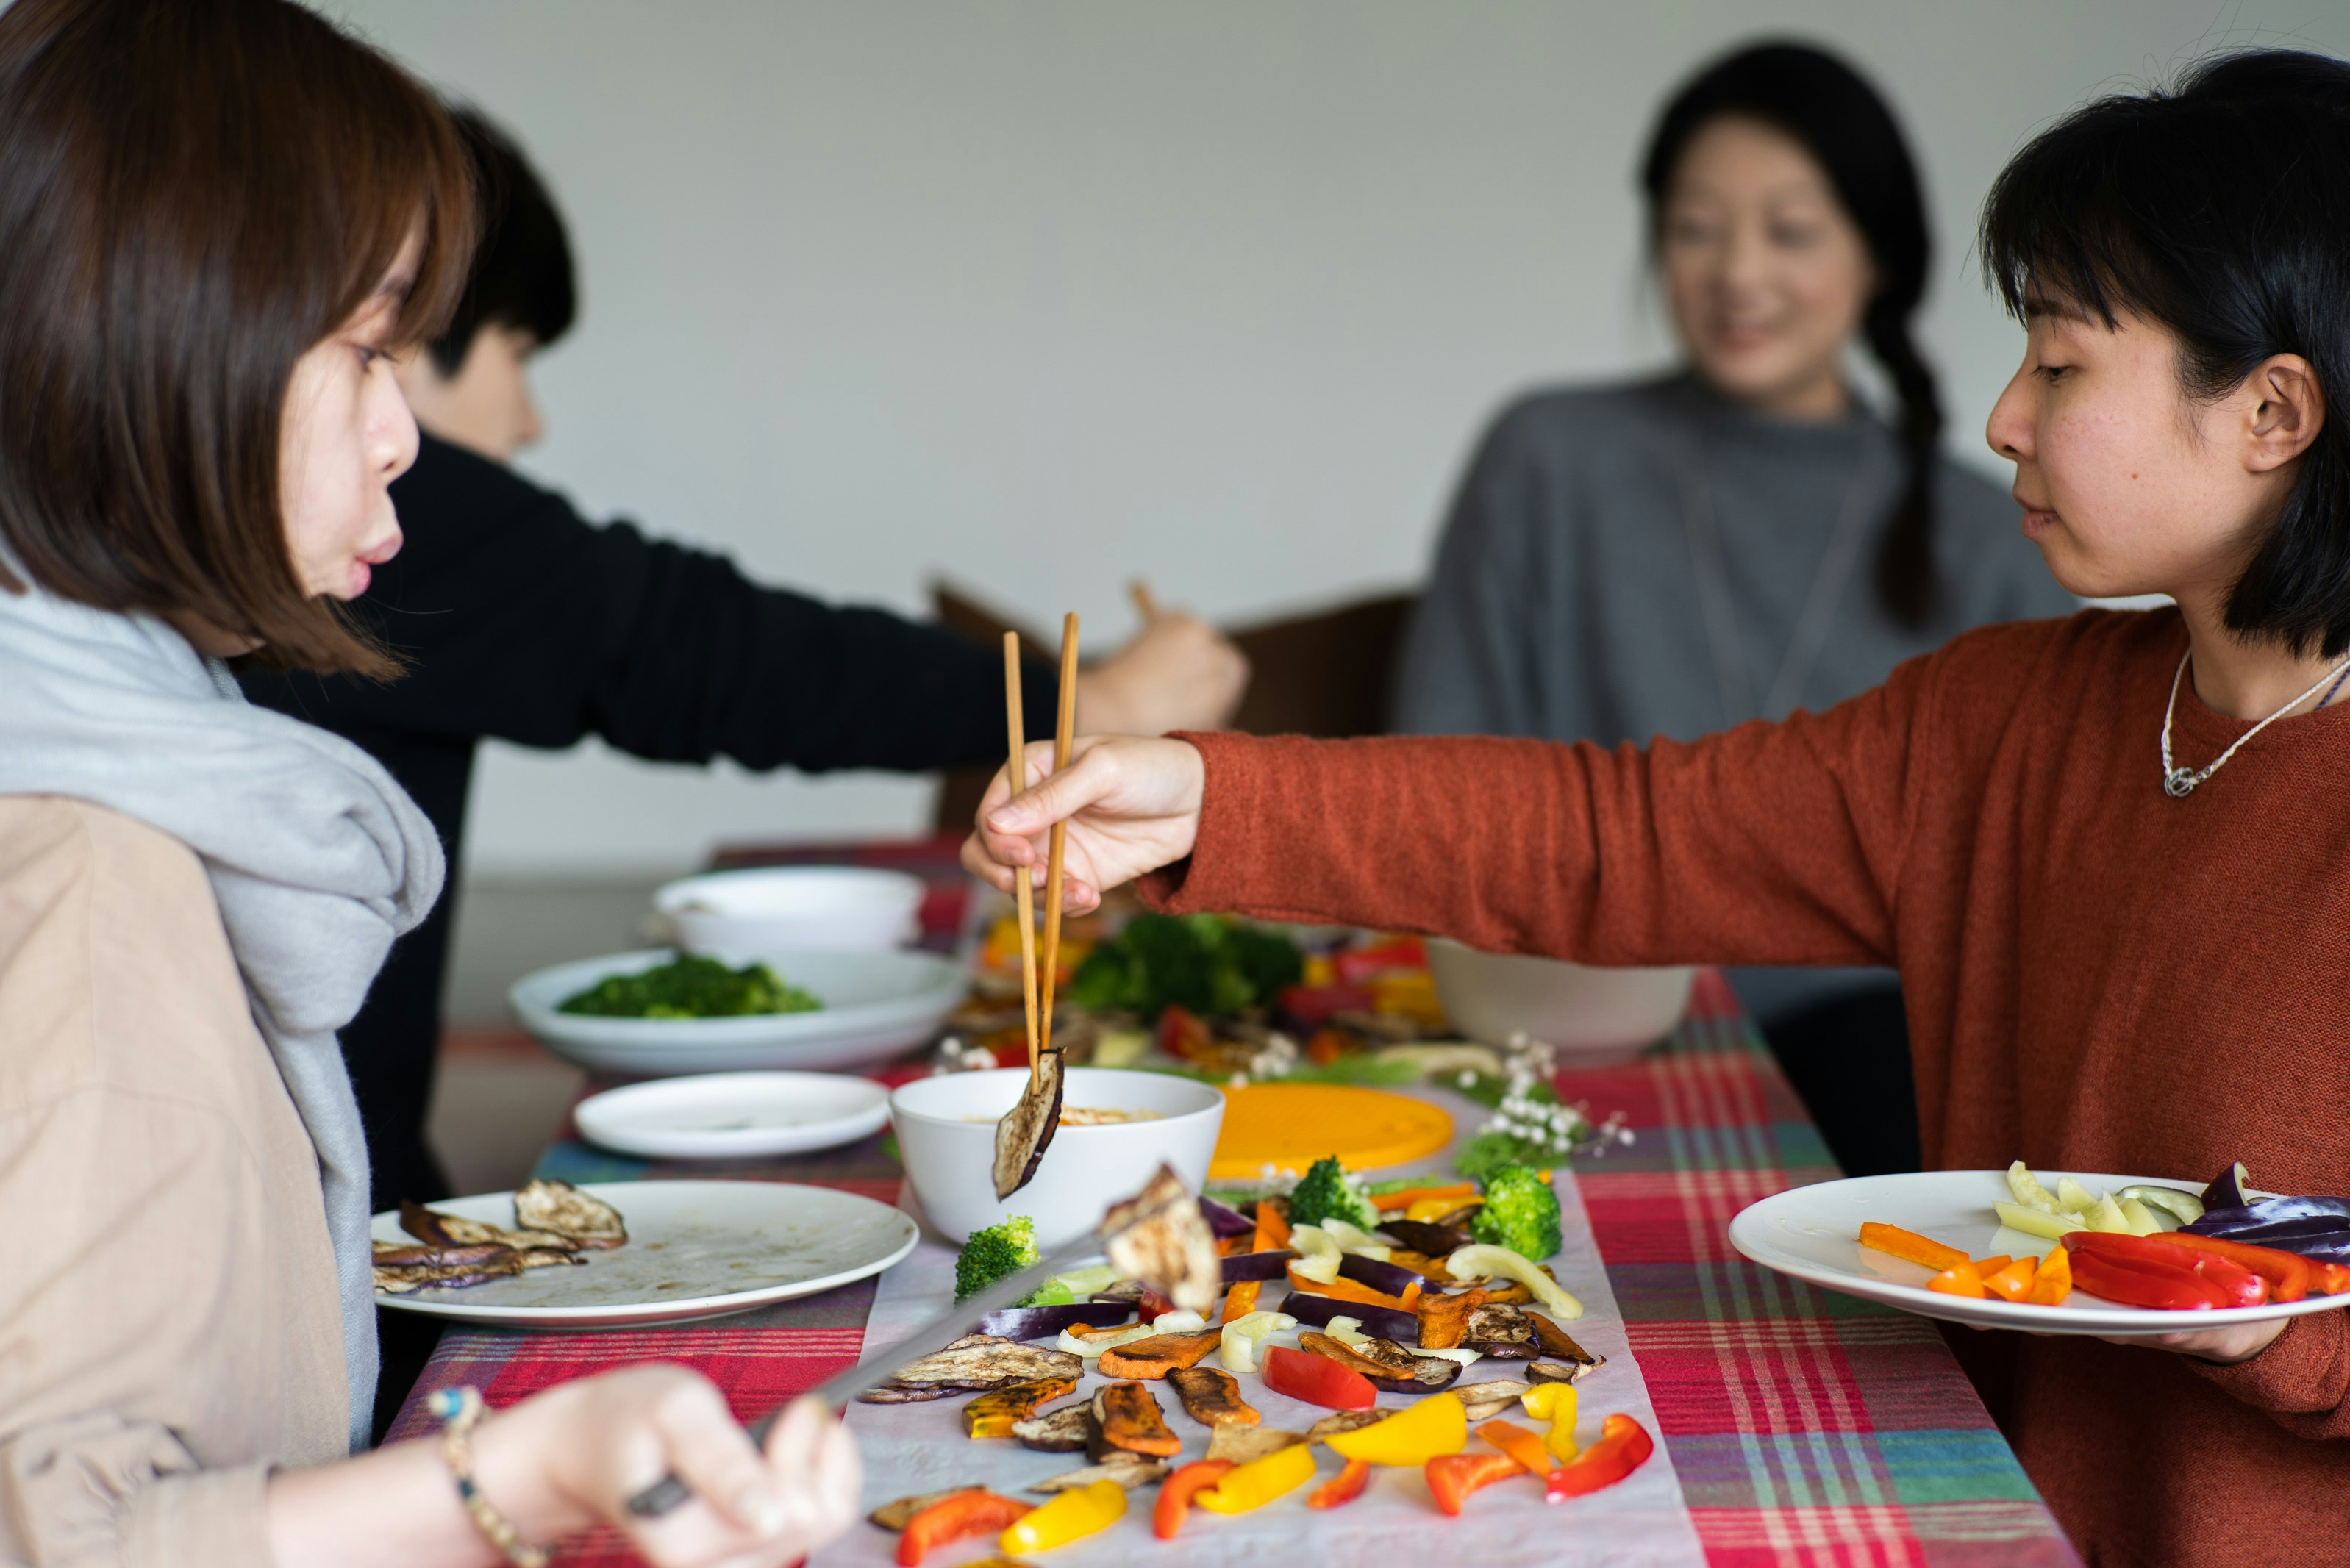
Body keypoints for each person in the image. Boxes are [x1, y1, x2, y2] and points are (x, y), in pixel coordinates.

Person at [966, 51, 2350, 1568]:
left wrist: (2267, 1328)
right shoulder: (2008, 716)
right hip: (1986, 1516)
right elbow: (1615, 835)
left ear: (2272, 411)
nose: (2004, 415)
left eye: (2065, 364)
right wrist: (1202, 791)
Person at [0, 1, 856, 1561]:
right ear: (161, 335)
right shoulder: (83, 868)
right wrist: (505, 1479)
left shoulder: (132, 749)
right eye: (366, 345)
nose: (405, 436)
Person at [238, 106, 1249, 1215]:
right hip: (312, 1219)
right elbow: (697, 649)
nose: (521, 422)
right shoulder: (357, 511)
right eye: (376, 346)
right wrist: (1087, 698)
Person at [1393, 42, 2076, 1178]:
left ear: (1877, 256)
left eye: (1791, 230)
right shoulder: (1550, 457)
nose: (1737, 272)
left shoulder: (1996, 524)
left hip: (1872, 1049)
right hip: (1568, 1006)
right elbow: (1435, 767)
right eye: (1697, 226)